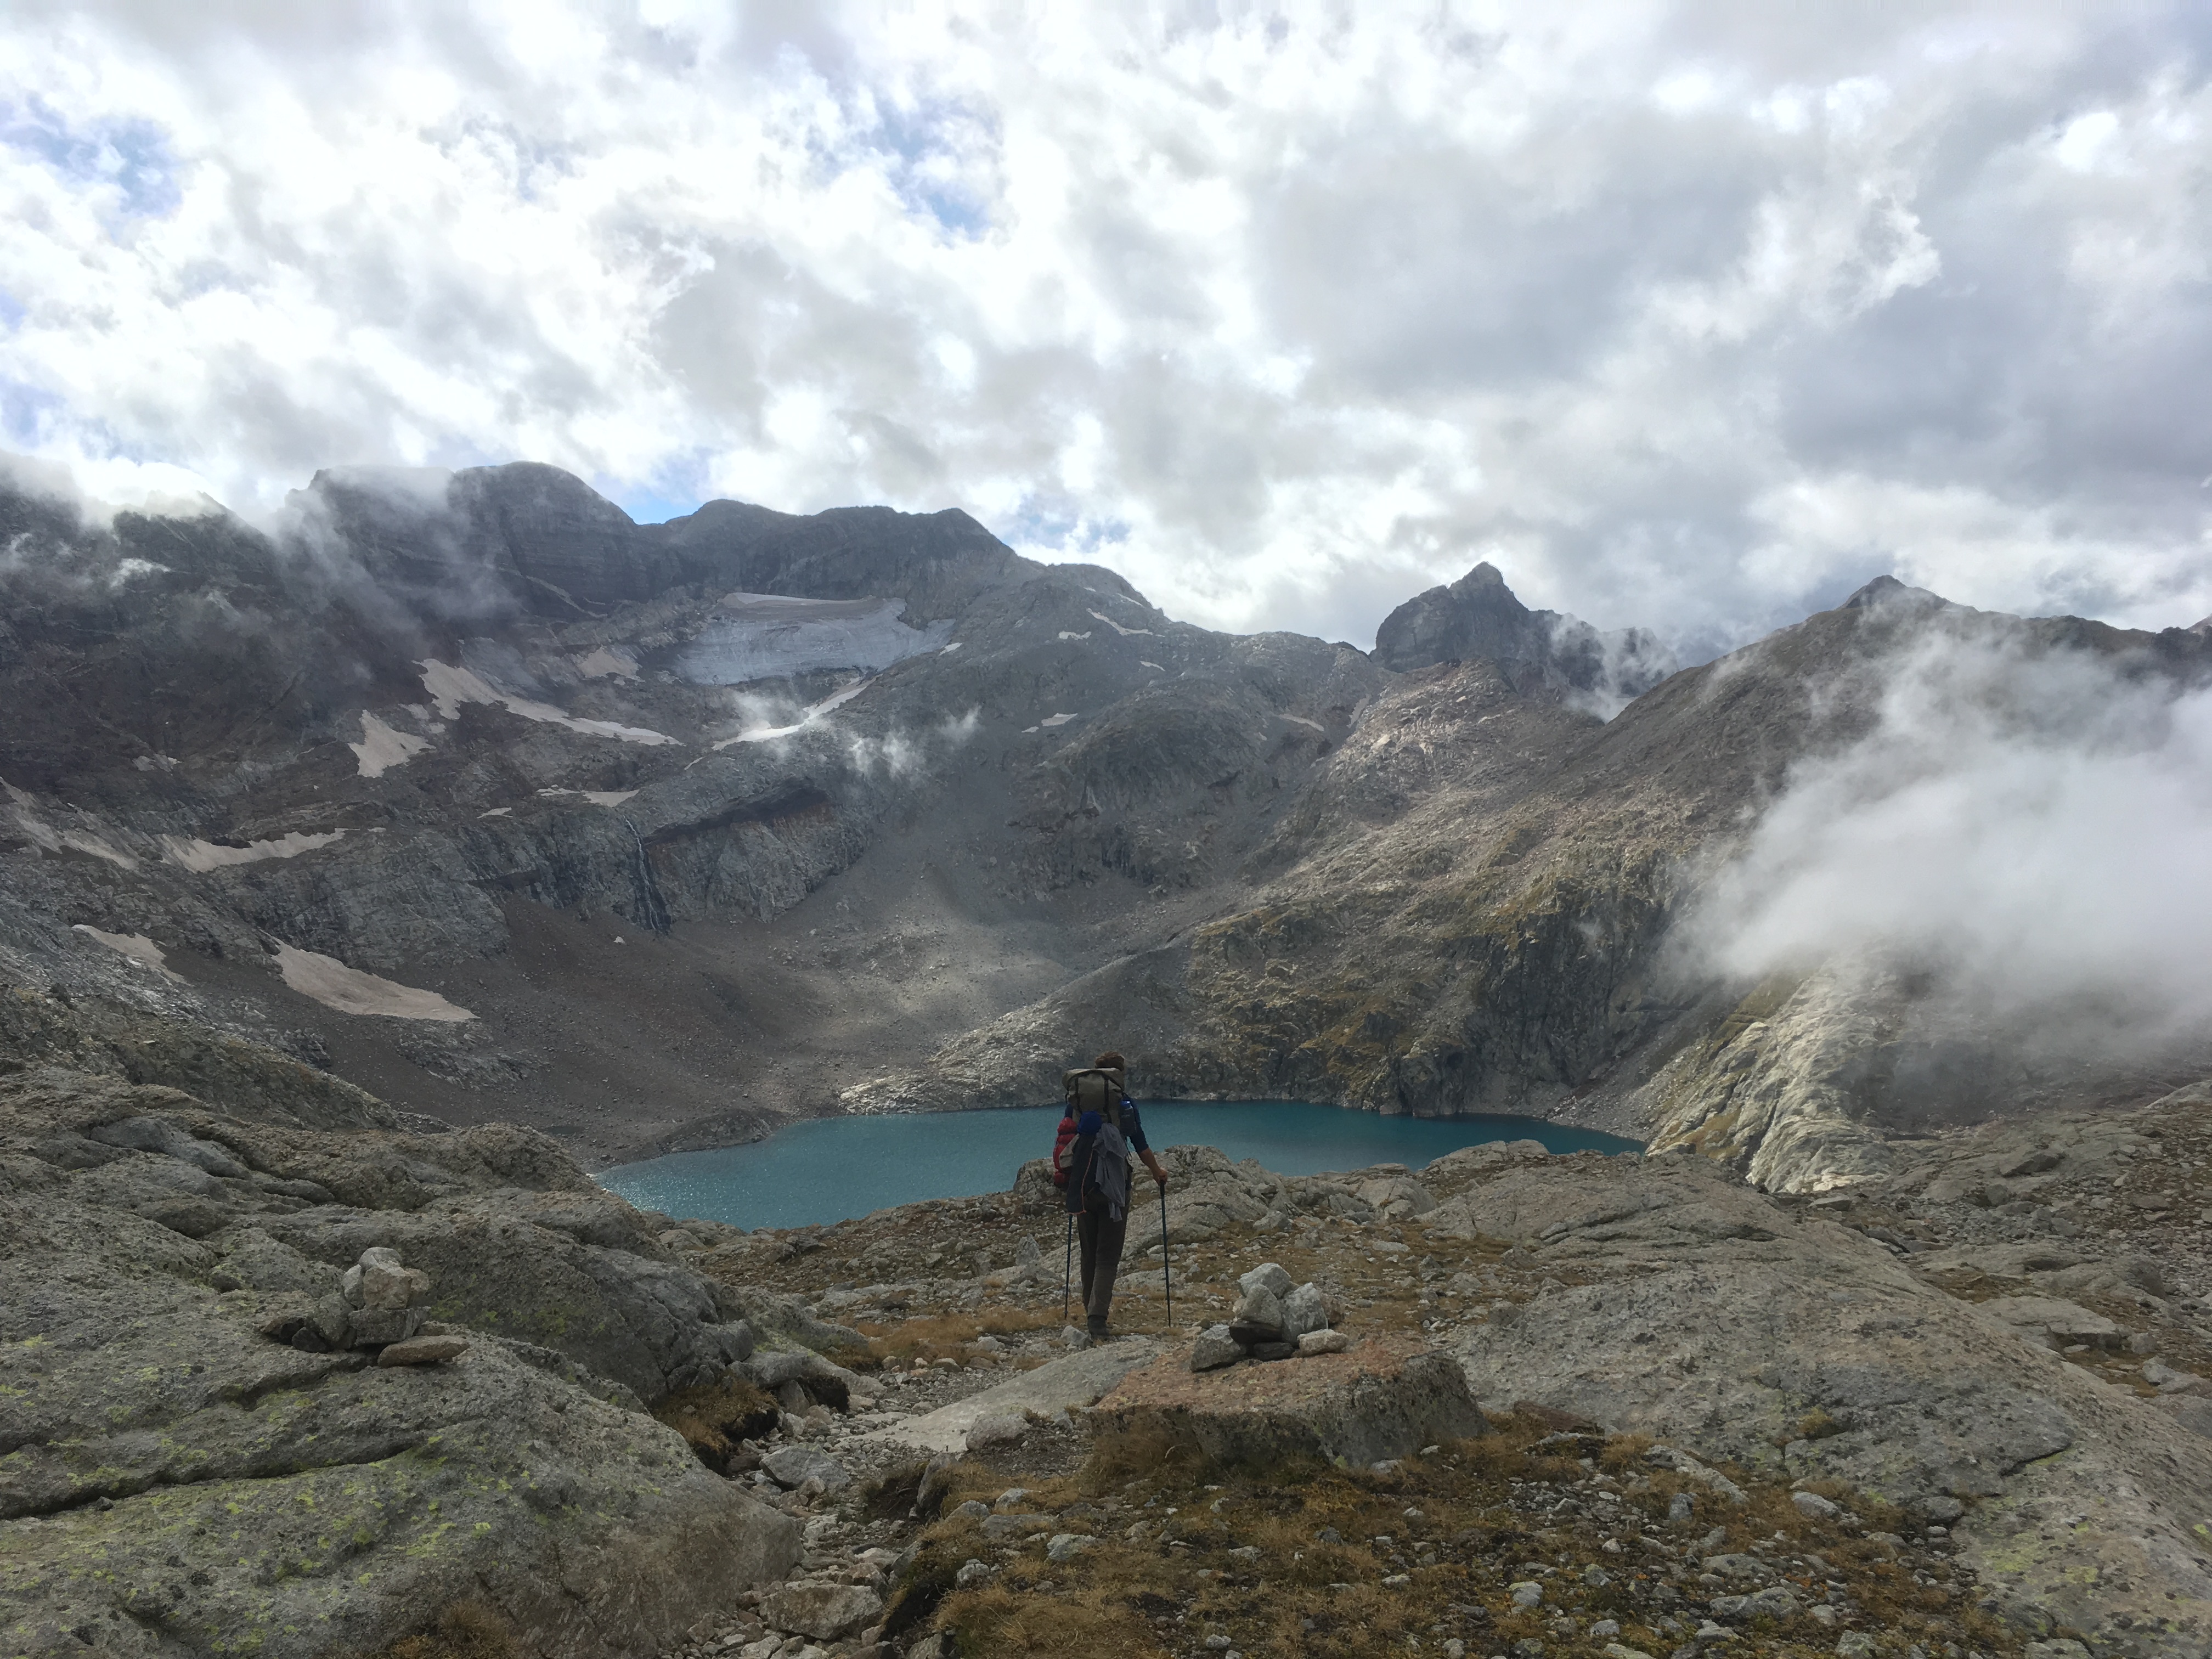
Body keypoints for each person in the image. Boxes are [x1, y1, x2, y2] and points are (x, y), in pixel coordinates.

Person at [1056, 1049, 1169, 1342]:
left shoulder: (1076, 1102)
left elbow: (1066, 1137)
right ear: (1118, 1076)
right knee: (1108, 1255)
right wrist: (1157, 1172)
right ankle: (1097, 1319)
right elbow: (1140, 1143)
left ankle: (1088, 1309)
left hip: (1082, 1182)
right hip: (1115, 1186)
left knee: (1089, 1252)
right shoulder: (1125, 1104)